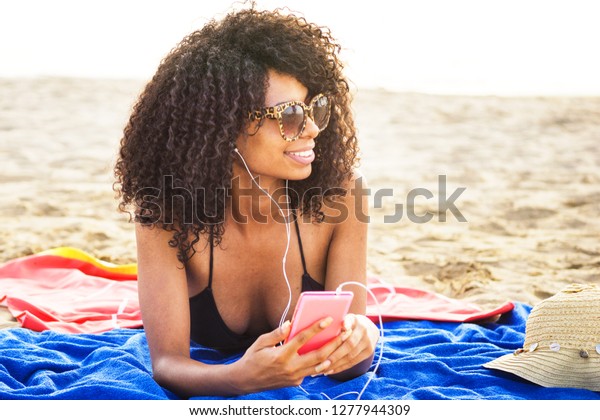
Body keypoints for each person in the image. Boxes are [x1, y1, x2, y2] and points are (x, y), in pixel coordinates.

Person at [113, 6, 378, 397]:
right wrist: (241, 377)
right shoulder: (166, 214)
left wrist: (364, 336)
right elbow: (168, 364)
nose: (312, 128)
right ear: (223, 124)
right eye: (289, 114)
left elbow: (348, 365)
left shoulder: (341, 197)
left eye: (316, 107)